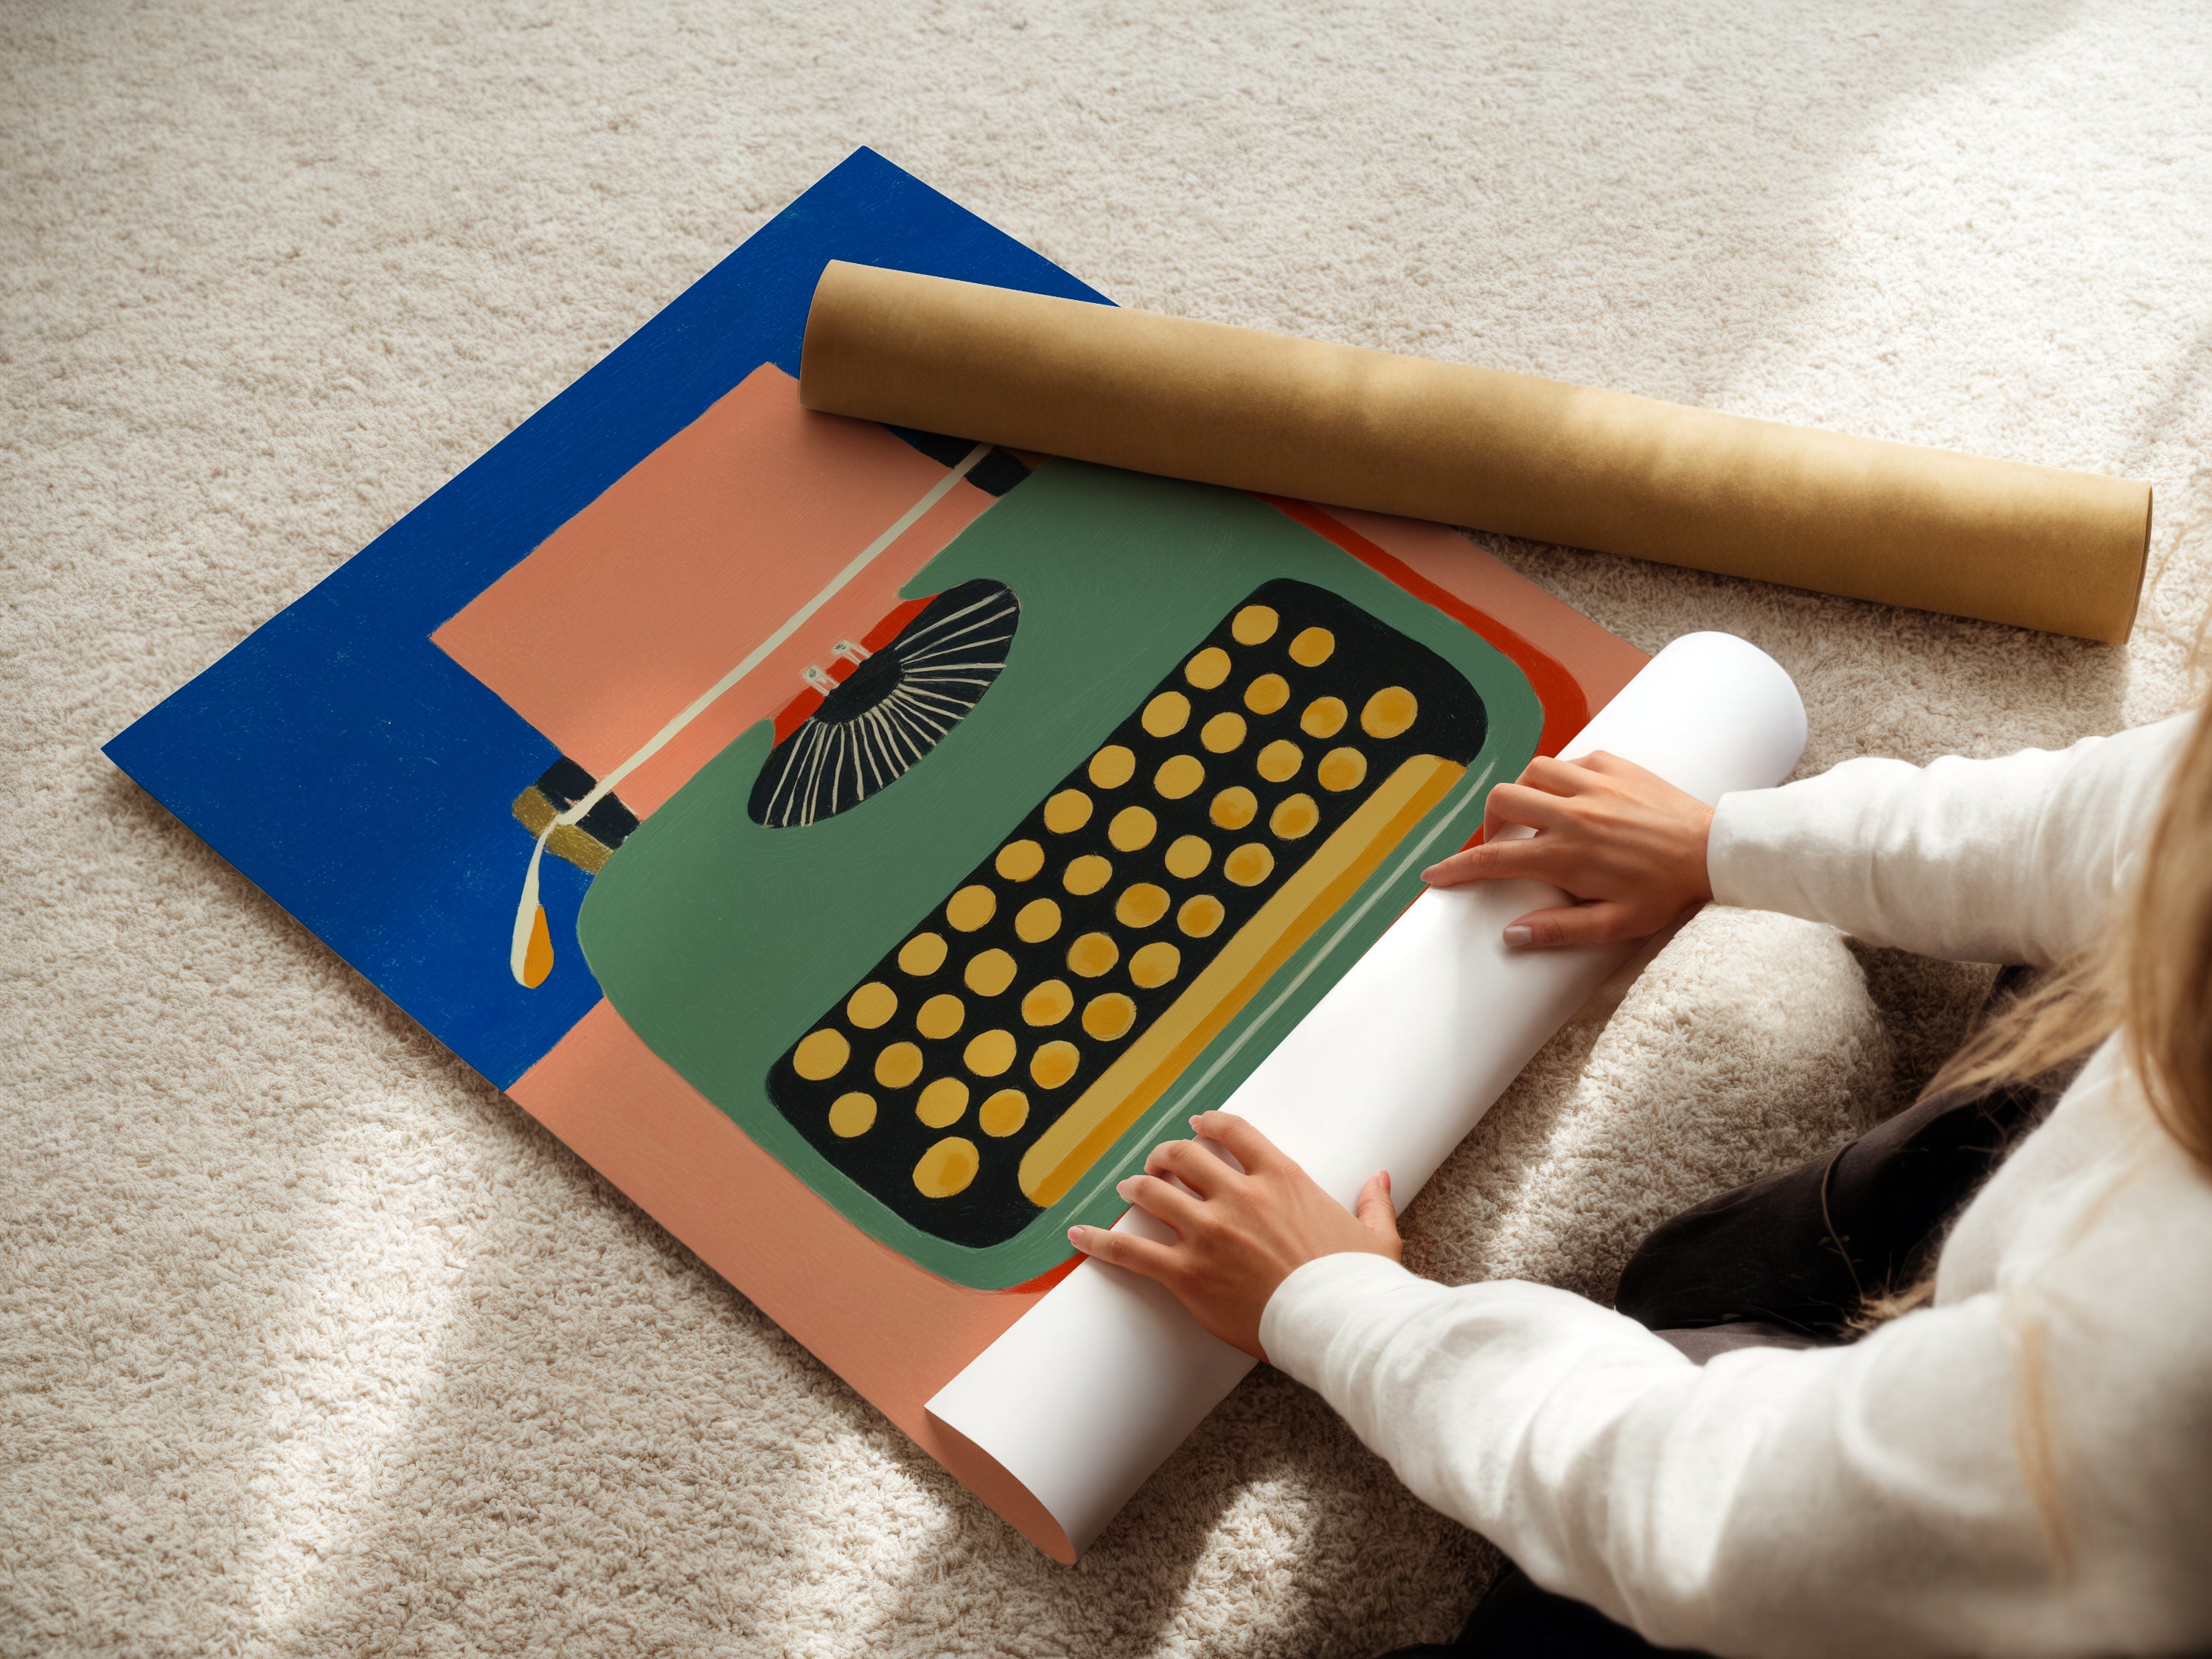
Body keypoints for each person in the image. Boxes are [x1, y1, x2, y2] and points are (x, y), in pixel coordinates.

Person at [1068, 706, 2212, 1657]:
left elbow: (1713, 1511)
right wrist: (1721, 841)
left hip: (2066, 1552)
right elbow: (2119, 818)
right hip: (2068, 1332)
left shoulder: (2157, 1376)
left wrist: (1337, 1307)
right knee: (1692, 1276)